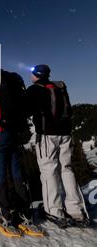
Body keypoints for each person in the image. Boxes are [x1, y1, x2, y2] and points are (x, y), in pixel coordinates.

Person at [0, 69, 43, 237]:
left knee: (0, 175)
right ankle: (25, 212)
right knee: (17, 172)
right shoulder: (14, 84)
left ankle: (5, 215)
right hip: (13, 133)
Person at [25, 64, 89, 227]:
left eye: (32, 73)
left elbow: (24, 110)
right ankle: (76, 210)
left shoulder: (35, 89)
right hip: (66, 134)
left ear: (37, 75)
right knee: (66, 169)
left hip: (48, 136)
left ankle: (54, 211)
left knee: (49, 171)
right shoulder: (59, 88)